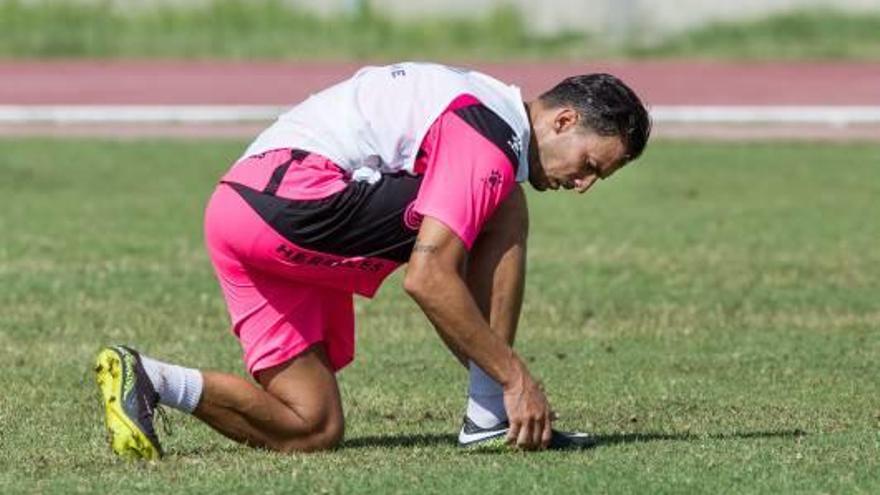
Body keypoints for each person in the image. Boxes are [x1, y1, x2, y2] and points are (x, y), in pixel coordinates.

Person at [93, 62, 651, 459]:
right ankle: (490, 414)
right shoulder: (491, 133)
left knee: (310, 426)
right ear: (563, 121)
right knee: (503, 196)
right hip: (290, 202)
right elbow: (428, 278)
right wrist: (514, 377)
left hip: (237, 215)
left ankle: (151, 378)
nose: (582, 184)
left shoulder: (480, 101)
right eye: (590, 166)